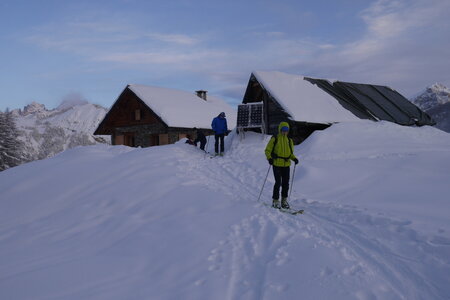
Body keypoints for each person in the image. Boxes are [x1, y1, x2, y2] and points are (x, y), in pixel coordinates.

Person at [264, 121, 299, 209]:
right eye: (283, 129)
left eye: (286, 130)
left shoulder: (289, 140)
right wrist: (270, 158)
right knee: (278, 182)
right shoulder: (275, 138)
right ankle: (275, 200)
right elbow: (267, 150)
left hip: (286, 164)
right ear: (280, 129)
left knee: (286, 183)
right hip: (276, 164)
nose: (285, 131)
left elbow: (290, 153)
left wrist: (294, 158)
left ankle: (284, 200)